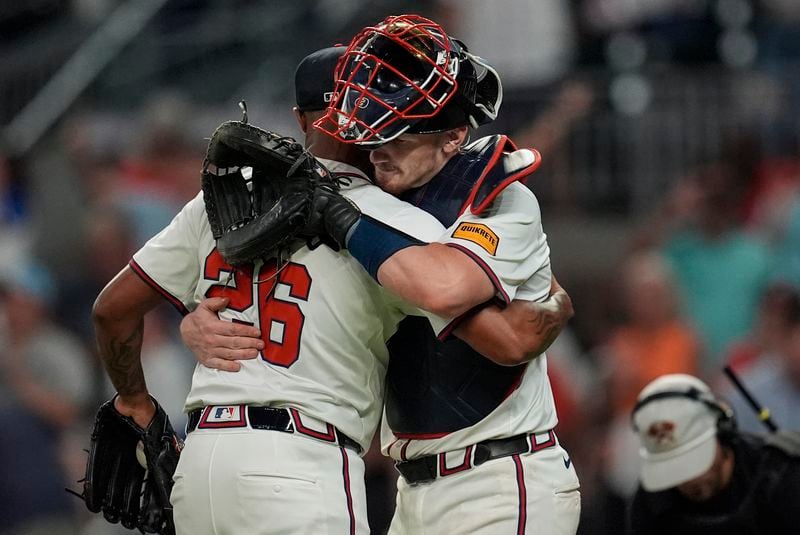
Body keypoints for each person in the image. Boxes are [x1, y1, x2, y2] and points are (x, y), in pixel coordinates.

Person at [92, 44, 571, 535]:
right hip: (302, 466)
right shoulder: (390, 225)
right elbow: (502, 332)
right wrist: (556, 302)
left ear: (300, 117)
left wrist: (143, 388)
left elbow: (112, 310)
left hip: (203, 460)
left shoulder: (222, 201)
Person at [628, 373, 800, 535]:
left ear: (722, 432)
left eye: (693, 460)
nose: (688, 479)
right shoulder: (652, 501)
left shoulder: (781, 475)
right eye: (672, 469)